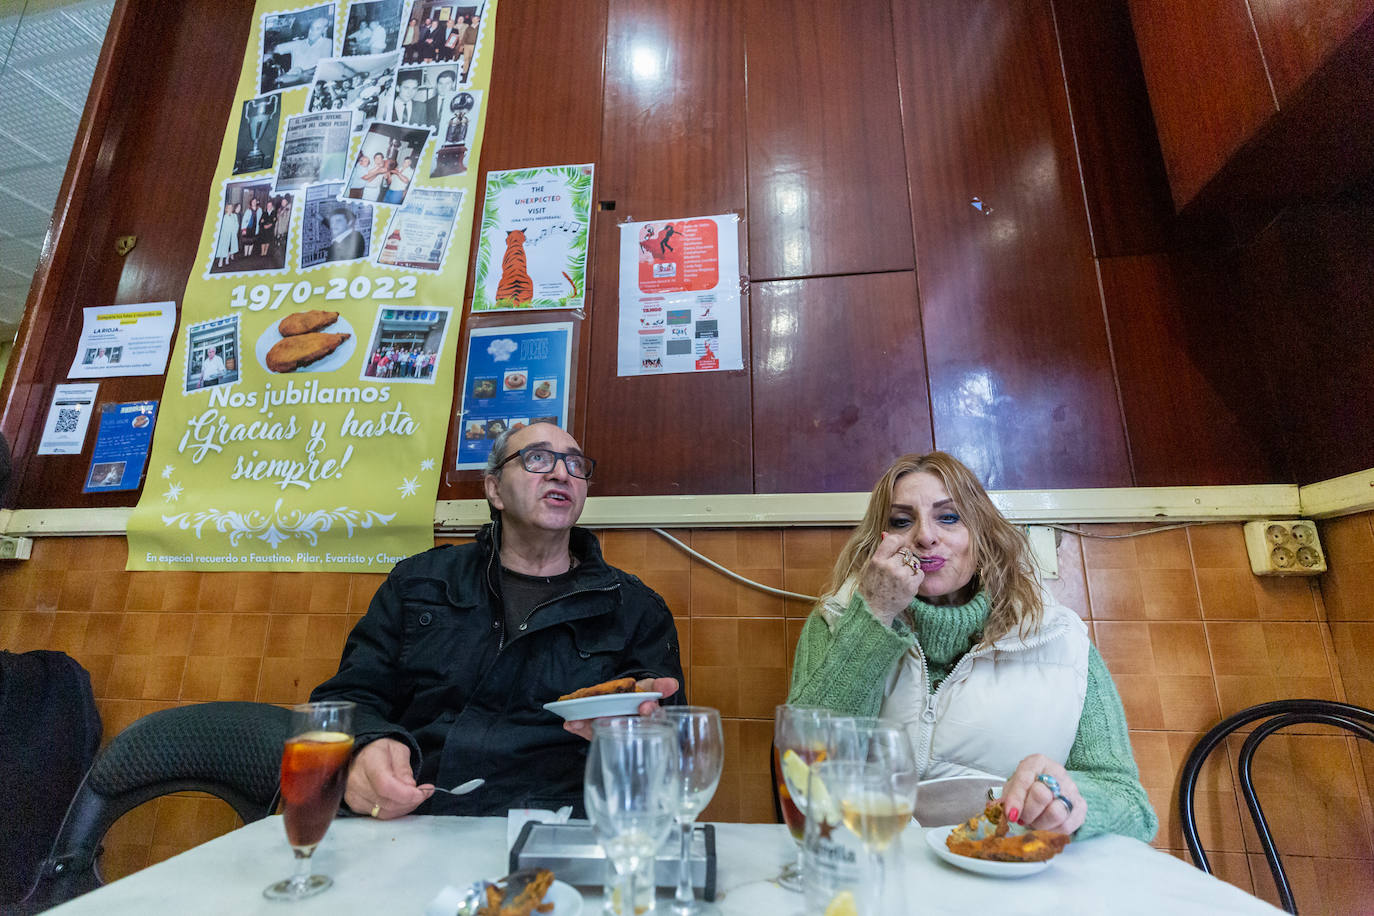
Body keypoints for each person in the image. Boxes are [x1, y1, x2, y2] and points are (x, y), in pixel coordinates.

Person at [310, 422, 685, 818]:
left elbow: (671, 734)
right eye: (537, 458)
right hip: (417, 812)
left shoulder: (634, 606)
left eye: (575, 465)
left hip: (563, 825)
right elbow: (348, 698)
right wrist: (366, 744)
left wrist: (643, 725)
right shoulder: (419, 582)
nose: (562, 473)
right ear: (494, 489)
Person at [787, 451, 1157, 842]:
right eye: (901, 521)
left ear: (981, 534)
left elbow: (1130, 804)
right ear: (877, 541)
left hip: (1010, 876)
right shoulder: (838, 619)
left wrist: (1069, 805)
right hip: (870, 870)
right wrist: (874, 613)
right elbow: (803, 770)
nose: (925, 536)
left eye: (948, 517)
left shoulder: (1059, 637)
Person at [273, 15, 332, 82]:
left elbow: (324, 65)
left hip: (311, 81)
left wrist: (301, 73)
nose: (312, 32)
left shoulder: (328, 43)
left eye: (317, 29)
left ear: (324, 30)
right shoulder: (298, 43)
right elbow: (274, 49)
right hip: (291, 80)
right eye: (311, 28)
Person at [213, 202, 239, 267]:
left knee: (230, 248)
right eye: (229, 208)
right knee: (224, 248)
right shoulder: (225, 217)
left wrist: (234, 231)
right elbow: (224, 227)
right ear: (226, 209)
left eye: (231, 208)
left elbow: (236, 224)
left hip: (232, 235)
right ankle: (221, 261)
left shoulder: (234, 216)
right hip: (225, 235)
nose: (230, 209)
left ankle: (227, 259)